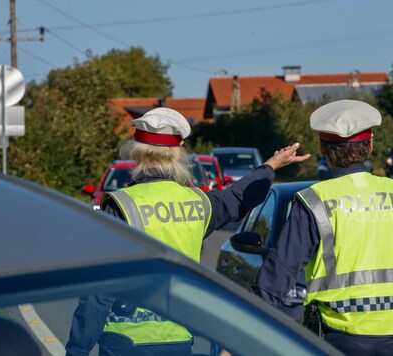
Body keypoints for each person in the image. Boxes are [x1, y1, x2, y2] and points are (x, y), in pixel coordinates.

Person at [65, 107, 309, 356]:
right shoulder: (198, 202)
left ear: (136, 151)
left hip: (126, 340)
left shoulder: (122, 204)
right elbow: (238, 197)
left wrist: (77, 349)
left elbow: (99, 293)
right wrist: (270, 166)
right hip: (178, 339)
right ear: (178, 152)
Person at [251, 100, 393, 356]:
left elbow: (278, 274)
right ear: (370, 146)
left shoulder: (313, 201)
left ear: (323, 148)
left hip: (337, 342)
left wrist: (241, 332)